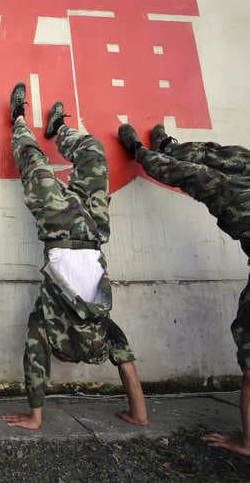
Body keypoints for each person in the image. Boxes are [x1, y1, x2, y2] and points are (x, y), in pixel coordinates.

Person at [2, 82, 148, 430]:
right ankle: (61, 130)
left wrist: (35, 417)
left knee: (34, 166)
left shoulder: (47, 322)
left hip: (58, 229)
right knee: (94, 153)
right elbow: (127, 366)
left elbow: (35, 362)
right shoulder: (105, 330)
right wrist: (139, 415)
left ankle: (18, 118)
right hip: (94, 231)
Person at [118, 122, 250, 454]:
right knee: (222, 156)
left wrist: (139, 152)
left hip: (213, 180)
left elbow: (180, 172)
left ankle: (249, 442)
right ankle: (167, 145)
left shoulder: (223, 189)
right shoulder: (236, 172)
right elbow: (215, 156)